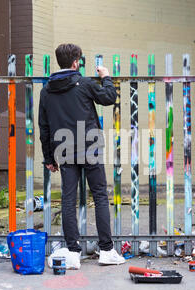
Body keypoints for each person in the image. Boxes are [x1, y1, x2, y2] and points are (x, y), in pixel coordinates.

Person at [38, 43, 125, 269]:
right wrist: (106, 77)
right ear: (76, 62)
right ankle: (106, 250)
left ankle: (73, 253)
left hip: (64, 150)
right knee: (99, 196)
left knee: (68, 199)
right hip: (90, 147)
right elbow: (109, 97)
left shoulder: (46, 91)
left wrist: (48, 157)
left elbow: (44, 127)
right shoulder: (84, 83)